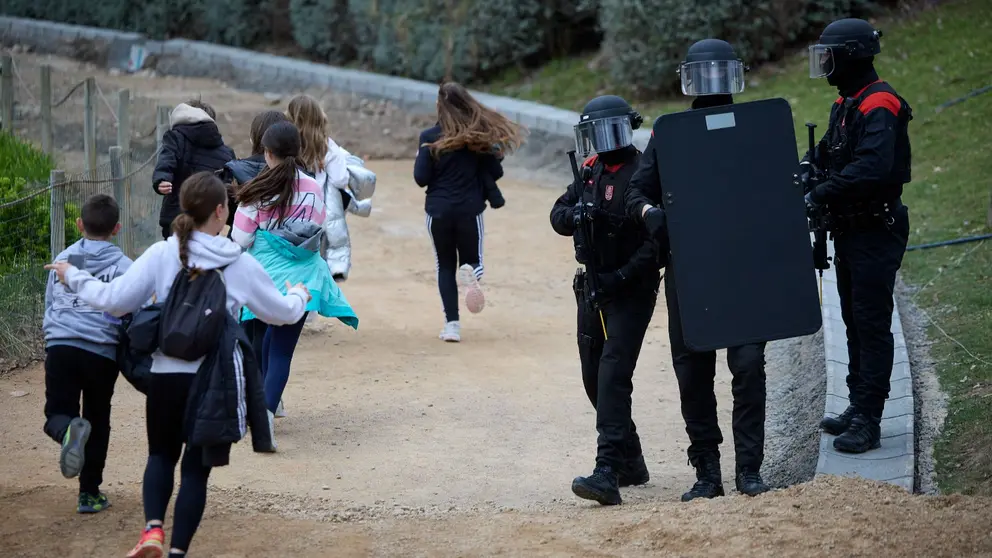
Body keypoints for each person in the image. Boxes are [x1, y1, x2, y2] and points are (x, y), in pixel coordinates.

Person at [45, 172, 311, 558]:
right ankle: (177, 551)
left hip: (166, 375)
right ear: (221, 211)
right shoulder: (239, 262)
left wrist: (74, 276)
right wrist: (299, 295)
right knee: (194, 472)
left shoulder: (162, 253)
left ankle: (152, 530)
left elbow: (115, 301)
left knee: (160, 456)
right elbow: (281, 315)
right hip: (212, 380)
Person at [624, 39, 771, 501]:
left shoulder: (756, 128)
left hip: (744, 270)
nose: (711, 85)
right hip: (689, 271)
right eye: (702, 75)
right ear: (688, 78)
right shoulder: (670, 134)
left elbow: (777, 191)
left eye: (719, 74)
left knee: (748, 367)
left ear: (735, 75)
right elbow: (635, 193)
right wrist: (650, 214)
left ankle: (749, 470)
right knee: (693, 371)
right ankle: (707, 472)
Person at [804, 18, 912, 453]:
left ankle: (869, 417)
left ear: (849, 55)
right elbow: (827, 153)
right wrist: (804, 172)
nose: (825, 65)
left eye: (828, 56)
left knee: (870, 322)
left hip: (875, 228)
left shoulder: (879, 103)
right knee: (852, 319)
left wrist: (820, 194)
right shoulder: (847, 103)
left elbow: (871, 168)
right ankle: (857, 403)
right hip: (852, 229)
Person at [549, 96, 661, 506]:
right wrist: (576, 215)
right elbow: (558, 213)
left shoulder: (643, 171)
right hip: (592, 288)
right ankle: (631, 461)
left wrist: (623, 276)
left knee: (614, 374)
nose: (599, 141)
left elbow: (656, 244)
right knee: (594, 378)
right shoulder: (590, 169)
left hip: (630, 290)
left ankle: (607, 471)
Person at [233, 121, 359, 442]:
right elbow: (315, 228)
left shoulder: (255, 189)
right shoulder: (313, 187)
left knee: (261, 341)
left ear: (267, 153)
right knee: (282, 352)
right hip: (303, 278)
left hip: (264, 277)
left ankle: (258, 404)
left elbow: (241, 237)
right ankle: (267, 410)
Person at [413, 81, 526, 342]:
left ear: (439, 106)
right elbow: (496, 171)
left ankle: (451, 325)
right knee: (473, 260)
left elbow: (421, 178)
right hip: (469, 211)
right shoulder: (476, 139)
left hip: (438, 211)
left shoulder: (429, 137)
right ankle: (472, 274)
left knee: (444, 265)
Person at [42, 193, 132, 514]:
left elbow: (50, 303)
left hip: (62, 345)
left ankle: (67, 430)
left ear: (79, 224)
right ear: (117, 228)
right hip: (101, 352)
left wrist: (50, 338)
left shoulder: (64, 259)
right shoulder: (124, 266)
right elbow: (127, 309)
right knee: (98, 417)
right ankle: (89, 493)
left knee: (57, 414)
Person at [219, 109, 290, 415]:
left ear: (256, 139)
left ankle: (253, 398)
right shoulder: (300, 177)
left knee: (248, 335)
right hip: (285, 265)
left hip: (248, 261)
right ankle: (271, 396)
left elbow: (239, 231)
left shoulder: (241, 171)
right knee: (271, 338)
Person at [287, 94, 373, 283]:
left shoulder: (285, 144)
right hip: (318, 216)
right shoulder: (327, 148)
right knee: (316, 266)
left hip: (289, 213)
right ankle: (309, 306)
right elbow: (341, 180)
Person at [153, 100, 236, 240]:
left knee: (175, 257)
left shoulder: (175, 138)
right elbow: (226, 188)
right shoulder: (227, 153)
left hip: (176, 217)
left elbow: (167, 159)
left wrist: (161, 178)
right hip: (209, 221)